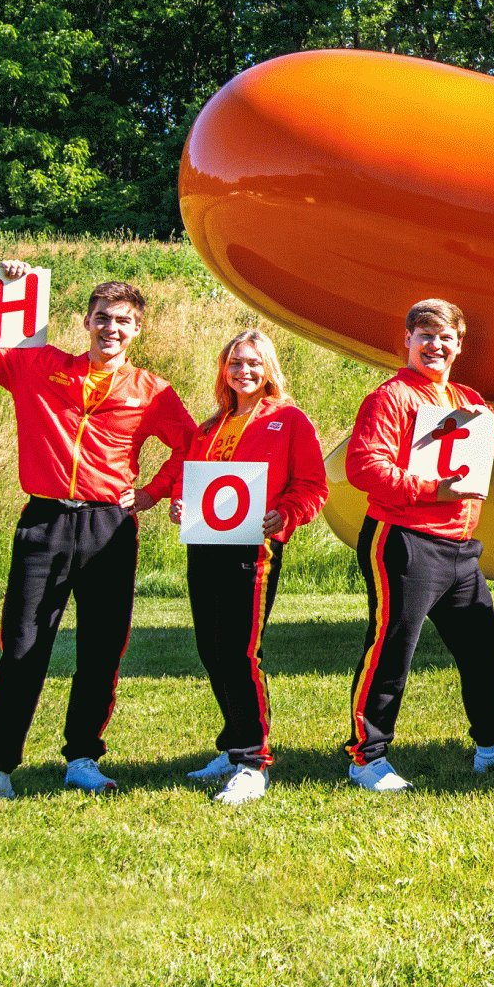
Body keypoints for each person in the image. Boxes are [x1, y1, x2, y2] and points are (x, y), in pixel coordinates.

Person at [0, 259, 197, 815]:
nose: (113, 328)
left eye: (124, 321)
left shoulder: (151, 389)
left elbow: (191, 444)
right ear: (85, 321)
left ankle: (82, 758)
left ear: (138, 331)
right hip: (45, 521)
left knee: (102, 647)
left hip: (109, 526)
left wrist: (154, 493)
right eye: (103, 317)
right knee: (24, 644)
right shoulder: (38, 365)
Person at [341, 297, 494, 791]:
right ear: (407, 342)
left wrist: (487, 419)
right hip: (404, 538)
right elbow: (362, 467)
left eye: (445, 337)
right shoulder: (391, 397)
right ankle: (366, 758)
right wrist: (432, 490)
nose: (435, 345)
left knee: (483, 644)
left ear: (459, 345)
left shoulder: (463, 396)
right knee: (392, 649)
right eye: (425, 336)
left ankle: (492, 744)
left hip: (459, 544)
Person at [137, 329, 328, 805]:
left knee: (241, 651)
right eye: (236, 363)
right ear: (224, 369)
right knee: (212, 649)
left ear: (269, 370)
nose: (244, 371)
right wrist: (180, 504)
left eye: (254, 363)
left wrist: (284, 515)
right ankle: (234, 741)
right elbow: (190, 480)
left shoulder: (289, 420)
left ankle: (252, 761)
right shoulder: (210, 426)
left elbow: (312, 485)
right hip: (205, 547)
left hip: (253, 549)